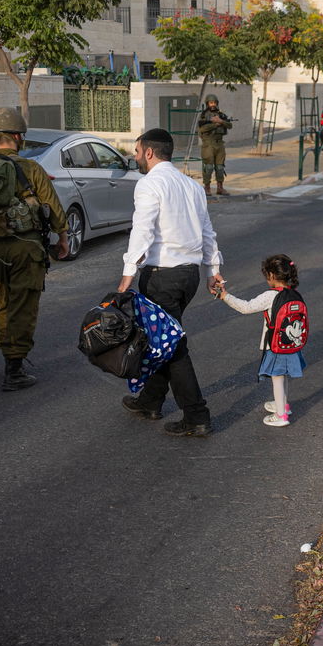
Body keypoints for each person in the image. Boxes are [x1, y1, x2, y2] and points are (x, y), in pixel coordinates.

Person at [118, 127, 224, 437]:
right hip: (188, 276)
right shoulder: (191, 185)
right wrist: (212, 269)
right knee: (161, 339)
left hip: (162, 277)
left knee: (173, 345)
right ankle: (150, 401)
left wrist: (128, 272)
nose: (136, 157)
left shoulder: (150, 183)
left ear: (149, 152)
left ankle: (196, 415)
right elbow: (207, 231)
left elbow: (143, 229)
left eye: (137, 152)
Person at [0, 107, 68, 391]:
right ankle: (14, 367)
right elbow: (53, 209)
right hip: (26, 249)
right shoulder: (31, 168)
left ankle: (9, 354)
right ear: (19, 137)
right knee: (24, 306)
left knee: (4, 303)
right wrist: (63, 238)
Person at [211, 254, 308, 427]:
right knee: (283, 375)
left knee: (277, 377)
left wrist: (224, 296)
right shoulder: (295, 294)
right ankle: (283, 405)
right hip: (291, 344)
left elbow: (246, 307)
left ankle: (281, 415)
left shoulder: (270, 296)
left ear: (271, 276)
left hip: (275, 345)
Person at [196, 93, 233, 196]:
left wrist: (221, 121)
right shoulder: (204, 116)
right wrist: (214, 124)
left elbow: (229, 125)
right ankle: (207, 188)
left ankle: (220, 187)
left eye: (214, 102)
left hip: (219, 143)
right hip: (208, 144)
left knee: (220, 167)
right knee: (208, 167)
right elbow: (202, 129)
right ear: (207, 103)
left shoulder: (221, 115)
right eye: (211, 102)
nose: (213, 104)